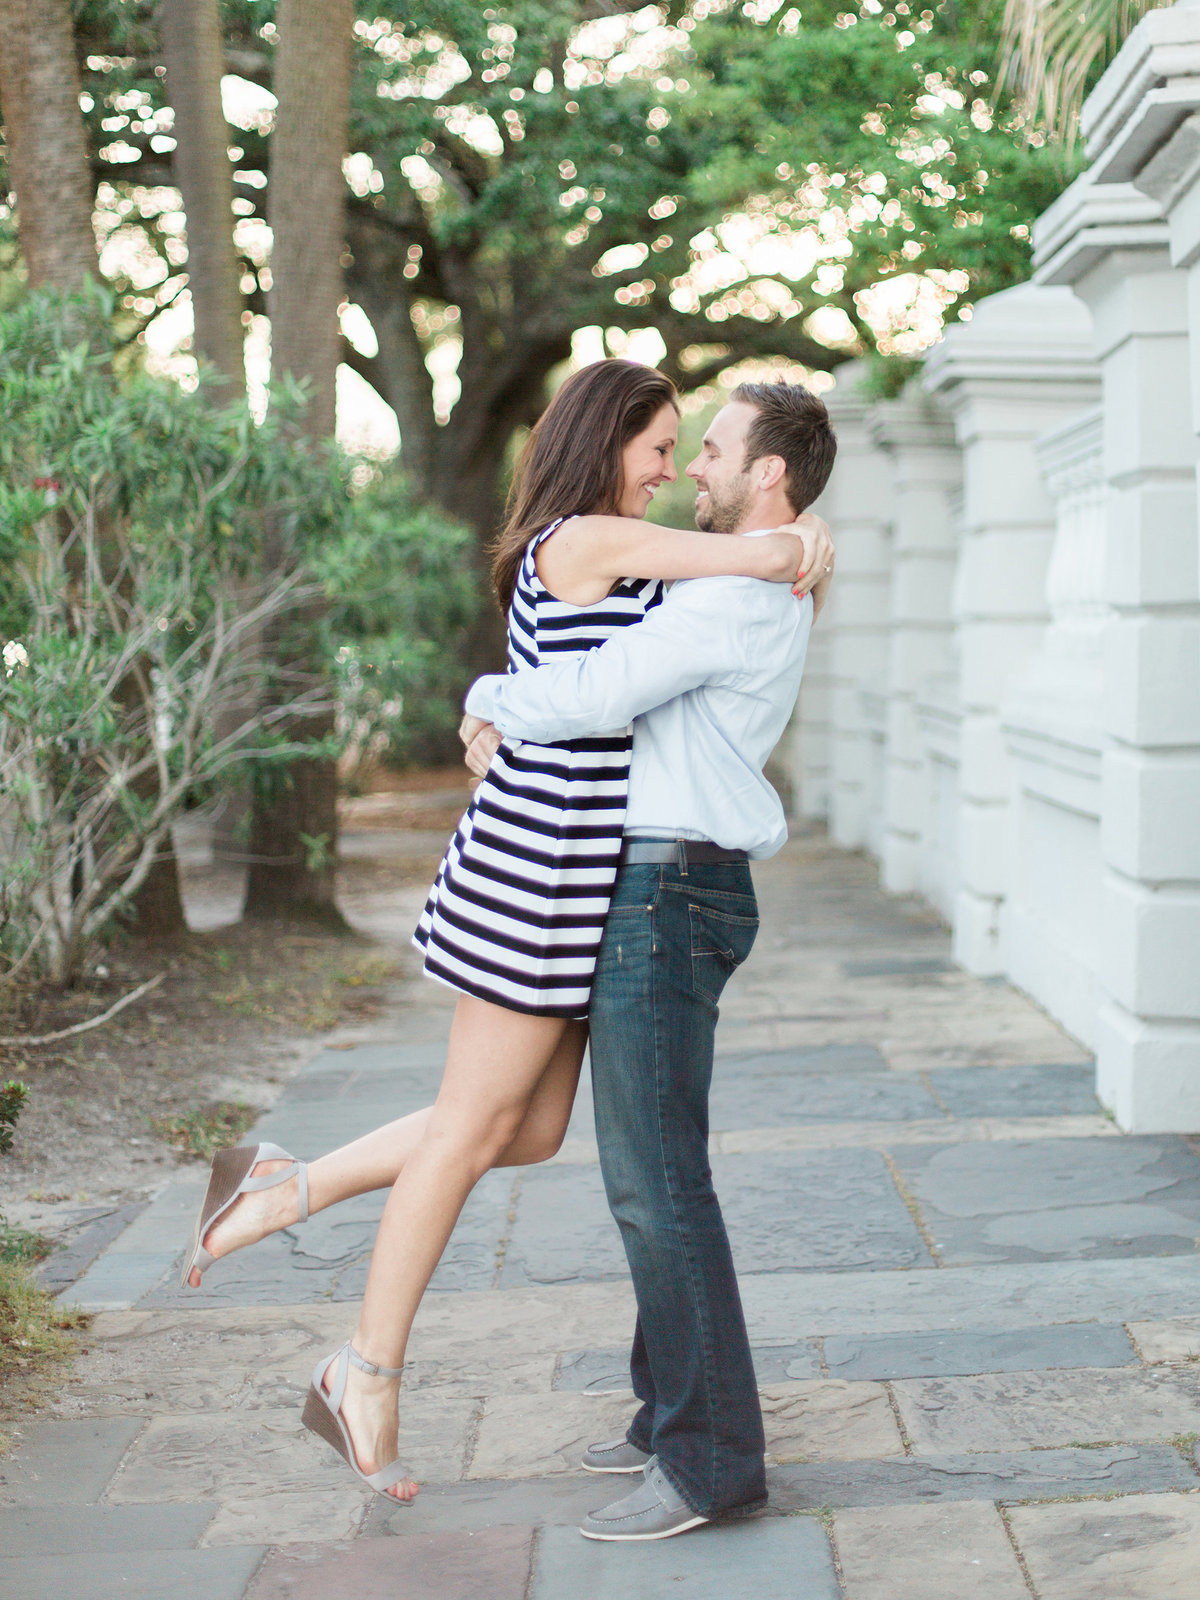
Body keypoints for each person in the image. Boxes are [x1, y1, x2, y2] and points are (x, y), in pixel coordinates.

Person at [180, 359, 835, 1503]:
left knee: (521, 1131)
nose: (677, 470)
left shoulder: (644, 553)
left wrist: (783, 554)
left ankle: (284, 1186)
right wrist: (784, 548)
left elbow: (626, 660)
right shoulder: (582, 536)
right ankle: (363, 1372)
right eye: (664, 445)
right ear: (606, 438)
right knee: (479, 1123)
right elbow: (708, 578)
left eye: (697, 449)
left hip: (585, 868)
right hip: (540, 862)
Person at [459, 378, 837, 1539]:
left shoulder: (733, 597)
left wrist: (483, 699)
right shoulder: (742, 574)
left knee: (656, 1178)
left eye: (714, 448)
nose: (693, 469)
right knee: (655, 1170)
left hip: (667, 888)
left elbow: (596, 694)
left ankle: (711, 1456)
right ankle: (666, 1409)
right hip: (670, 883)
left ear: (769, 471)